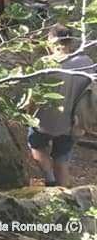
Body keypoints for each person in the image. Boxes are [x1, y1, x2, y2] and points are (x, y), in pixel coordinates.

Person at [27, 26, 95, 187]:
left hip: (44, 120)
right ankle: (65, 198)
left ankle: (50, 179)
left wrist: (29, 115)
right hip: (73, 121)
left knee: (36, 146)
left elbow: (34, 95)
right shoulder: (86, 62)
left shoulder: (45, 63)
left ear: (50, 41)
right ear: (72, 41)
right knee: (62, 159)